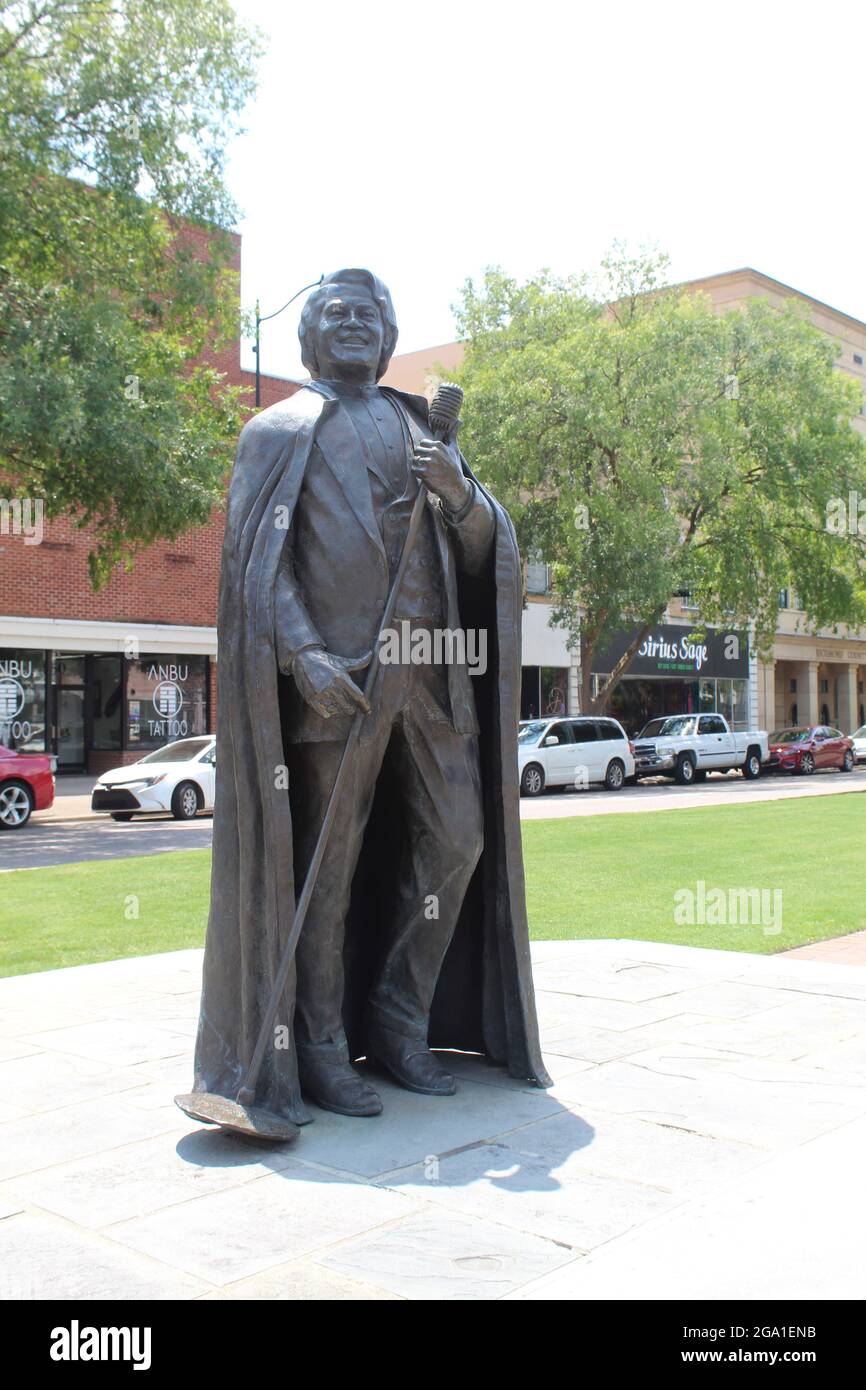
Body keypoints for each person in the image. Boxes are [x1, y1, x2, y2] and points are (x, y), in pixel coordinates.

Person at [190, 268, 550, 1129]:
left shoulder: (424, 425)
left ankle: (396, 1021)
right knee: (329, 869)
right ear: (310, 335)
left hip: (432, 667)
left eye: (369, 315)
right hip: (339, 682)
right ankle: (316, 1048)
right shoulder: (278, 431)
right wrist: (303, 653)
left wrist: (459, 492)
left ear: (388, 338)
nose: (354, 323)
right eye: (336, 313)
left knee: (458, 839)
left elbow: (484, 548)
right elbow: (257, 567)